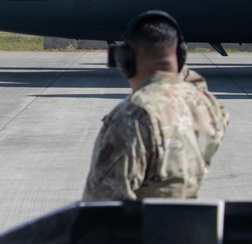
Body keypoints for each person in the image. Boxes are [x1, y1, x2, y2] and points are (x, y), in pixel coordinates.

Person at [83, 11, 229, 200]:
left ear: (126, 60)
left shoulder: (133, 117)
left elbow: (100, 206)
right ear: (180, 57)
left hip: (145, 219)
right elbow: (191, 86)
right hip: (189, 217)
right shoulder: (208, 106)